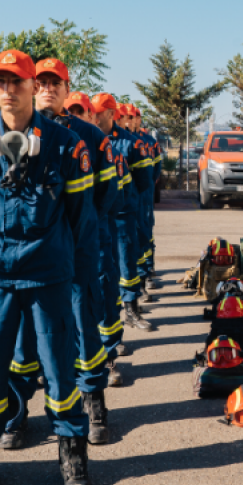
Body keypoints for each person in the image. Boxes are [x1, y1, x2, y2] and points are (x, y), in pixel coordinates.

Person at [0, 50, 96, 485]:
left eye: (16, 81)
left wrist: (69, 268)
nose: (7, 90)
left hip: (48, 273)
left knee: (58, 368)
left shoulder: (64, 144)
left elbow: (80, 217)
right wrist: (0, 251)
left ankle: (72, 456)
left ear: (35, 86)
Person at [0, 63, 118, 449]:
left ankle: (93, 402)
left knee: (83, 331)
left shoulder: (89, 136)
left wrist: (76, 243)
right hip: (28, 259)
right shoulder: (12, 133)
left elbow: (101, 199)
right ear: (34, 87)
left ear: (68, 89)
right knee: (23, 340)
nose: (49, 88)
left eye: (56, 83)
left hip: (77, 254)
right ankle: (18, 414)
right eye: (43, 83)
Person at [90, 93, 133, 386]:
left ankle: (108, 356)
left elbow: (126, 189)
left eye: (91, 112)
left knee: (106, 292)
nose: (89, 117)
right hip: (66, 240)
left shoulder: (121, 146)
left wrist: (100, 217)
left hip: (107, 227)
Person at [100, 102, 154, 331]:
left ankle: (131, 308)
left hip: (123, 214)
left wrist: (126, 198)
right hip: (100, 216)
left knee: (126, 262)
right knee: (105, 270)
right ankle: (109, 319)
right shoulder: (88, 139)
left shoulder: (130, 142)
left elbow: (144, 179)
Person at [129, 105, 161, 299]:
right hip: (130, 196)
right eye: (127, 116)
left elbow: (156, 167)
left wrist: (148, 185)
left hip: (144, 194)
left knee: (146, 233)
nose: (131, 120)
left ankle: (148, 270)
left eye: (134, 117)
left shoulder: (149, 142)